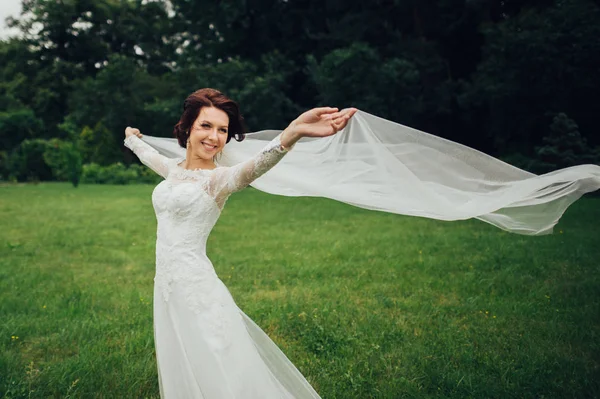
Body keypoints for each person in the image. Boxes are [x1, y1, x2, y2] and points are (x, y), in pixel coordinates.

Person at [124, 87, 357, 398]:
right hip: (166, 284)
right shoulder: (173, 171)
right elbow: (146, 153)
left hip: (196, 286)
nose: (215, 137)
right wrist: (131, 137)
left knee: (216, 355)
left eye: (223, 130)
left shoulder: (219, 180)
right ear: (188, 127)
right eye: (206, 126)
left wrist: (294, 131)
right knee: (184, 353)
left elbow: (256, 166)